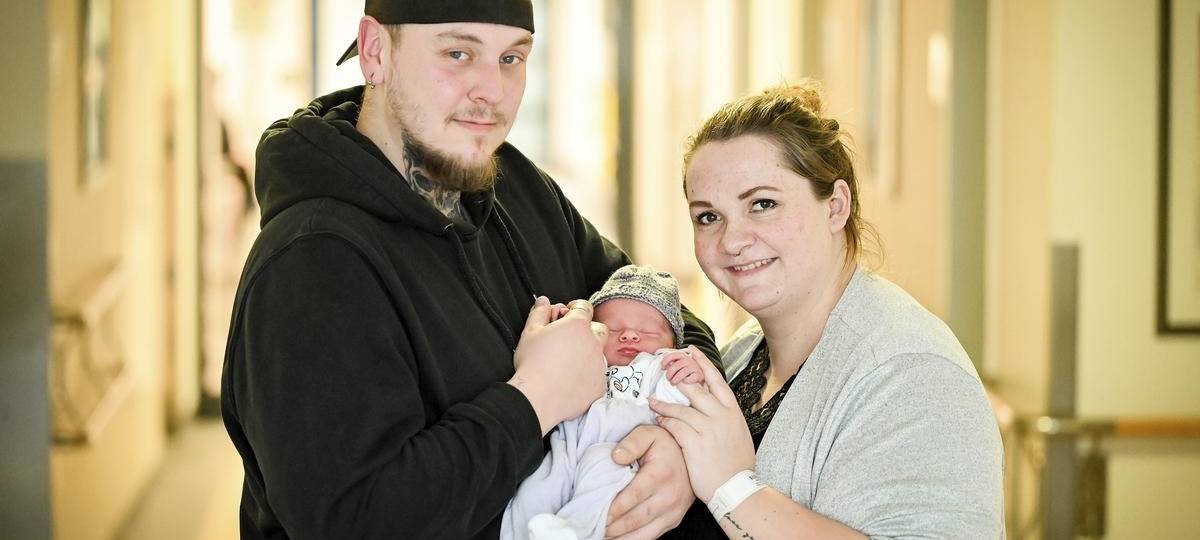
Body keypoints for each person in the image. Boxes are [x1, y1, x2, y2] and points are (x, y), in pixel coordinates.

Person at [219, 1, 718, 538]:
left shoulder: (517, 189)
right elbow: (356, 518)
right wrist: (533, 400)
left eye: (511, 58)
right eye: (458, 53)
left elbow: (666, 315)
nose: (493, 92)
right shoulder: (311, 263)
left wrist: (677, 437)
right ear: (374, 52)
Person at [652, 83, 1005, 538]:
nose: (732, 241)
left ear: (836, 206)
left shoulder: (914, 372)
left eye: (762, 204)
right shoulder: (744, 352)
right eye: (708, 216)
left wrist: (732, 488)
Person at [502, 265, 705, 540]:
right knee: (536, 487)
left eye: (648, 332)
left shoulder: (660, 366)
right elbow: (557, 355)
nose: (629, 336)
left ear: (674, 342)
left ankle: (574, 530)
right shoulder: (593, 359)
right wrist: (559, 323)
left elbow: (682, 402)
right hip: (568, 440)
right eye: (613, 328)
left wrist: (690, 374)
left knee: (602, 476)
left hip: (620, 446)